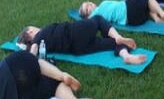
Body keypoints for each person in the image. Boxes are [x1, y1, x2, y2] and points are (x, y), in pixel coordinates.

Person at [17, 17, 147, 65]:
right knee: (98, 20)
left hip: (78, 50)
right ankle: (117, 35)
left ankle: (127, 56)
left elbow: (33, 50)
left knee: (112, 44)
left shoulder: (40, 45)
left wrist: (28, 60)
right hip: (75, 31)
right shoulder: (40, 35)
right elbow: (32, 50)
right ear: (30, 32)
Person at [78, 0, 164, 26]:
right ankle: (162, 14)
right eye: (87, 6)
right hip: (129, 9)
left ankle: (157, 19)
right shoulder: (96, 14)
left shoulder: (97, 17)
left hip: (134, 20)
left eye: (88, 2)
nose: (90, 3)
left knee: (145, 4)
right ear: (87, 15)